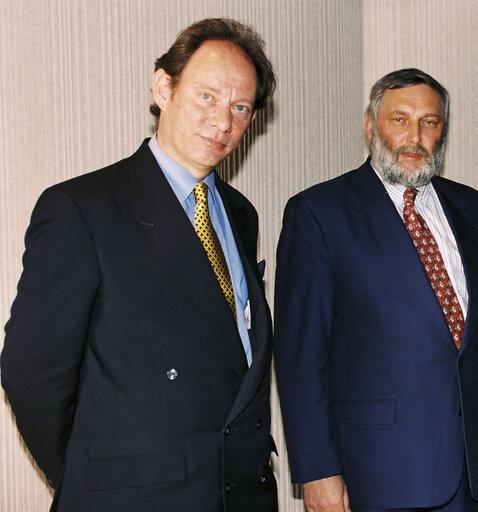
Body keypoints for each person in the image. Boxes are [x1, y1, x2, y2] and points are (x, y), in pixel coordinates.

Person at [1, 18, 277, 511]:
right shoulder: (82, 208)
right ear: (163, 87)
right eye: (207, 97)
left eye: (240, 107)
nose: (222, 122)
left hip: (240, 492)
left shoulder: (240, 214)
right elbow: (31, 372)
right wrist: (95, 477)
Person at [273, 68, 478, 512]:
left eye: (429, 122)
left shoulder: (476, 209)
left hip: (466, 470)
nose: (414, 136)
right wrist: (318, 471)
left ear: (443, 131)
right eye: (399, 119)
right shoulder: (319, 213)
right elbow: (302, 356)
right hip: (374, 474)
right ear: (370, 125)